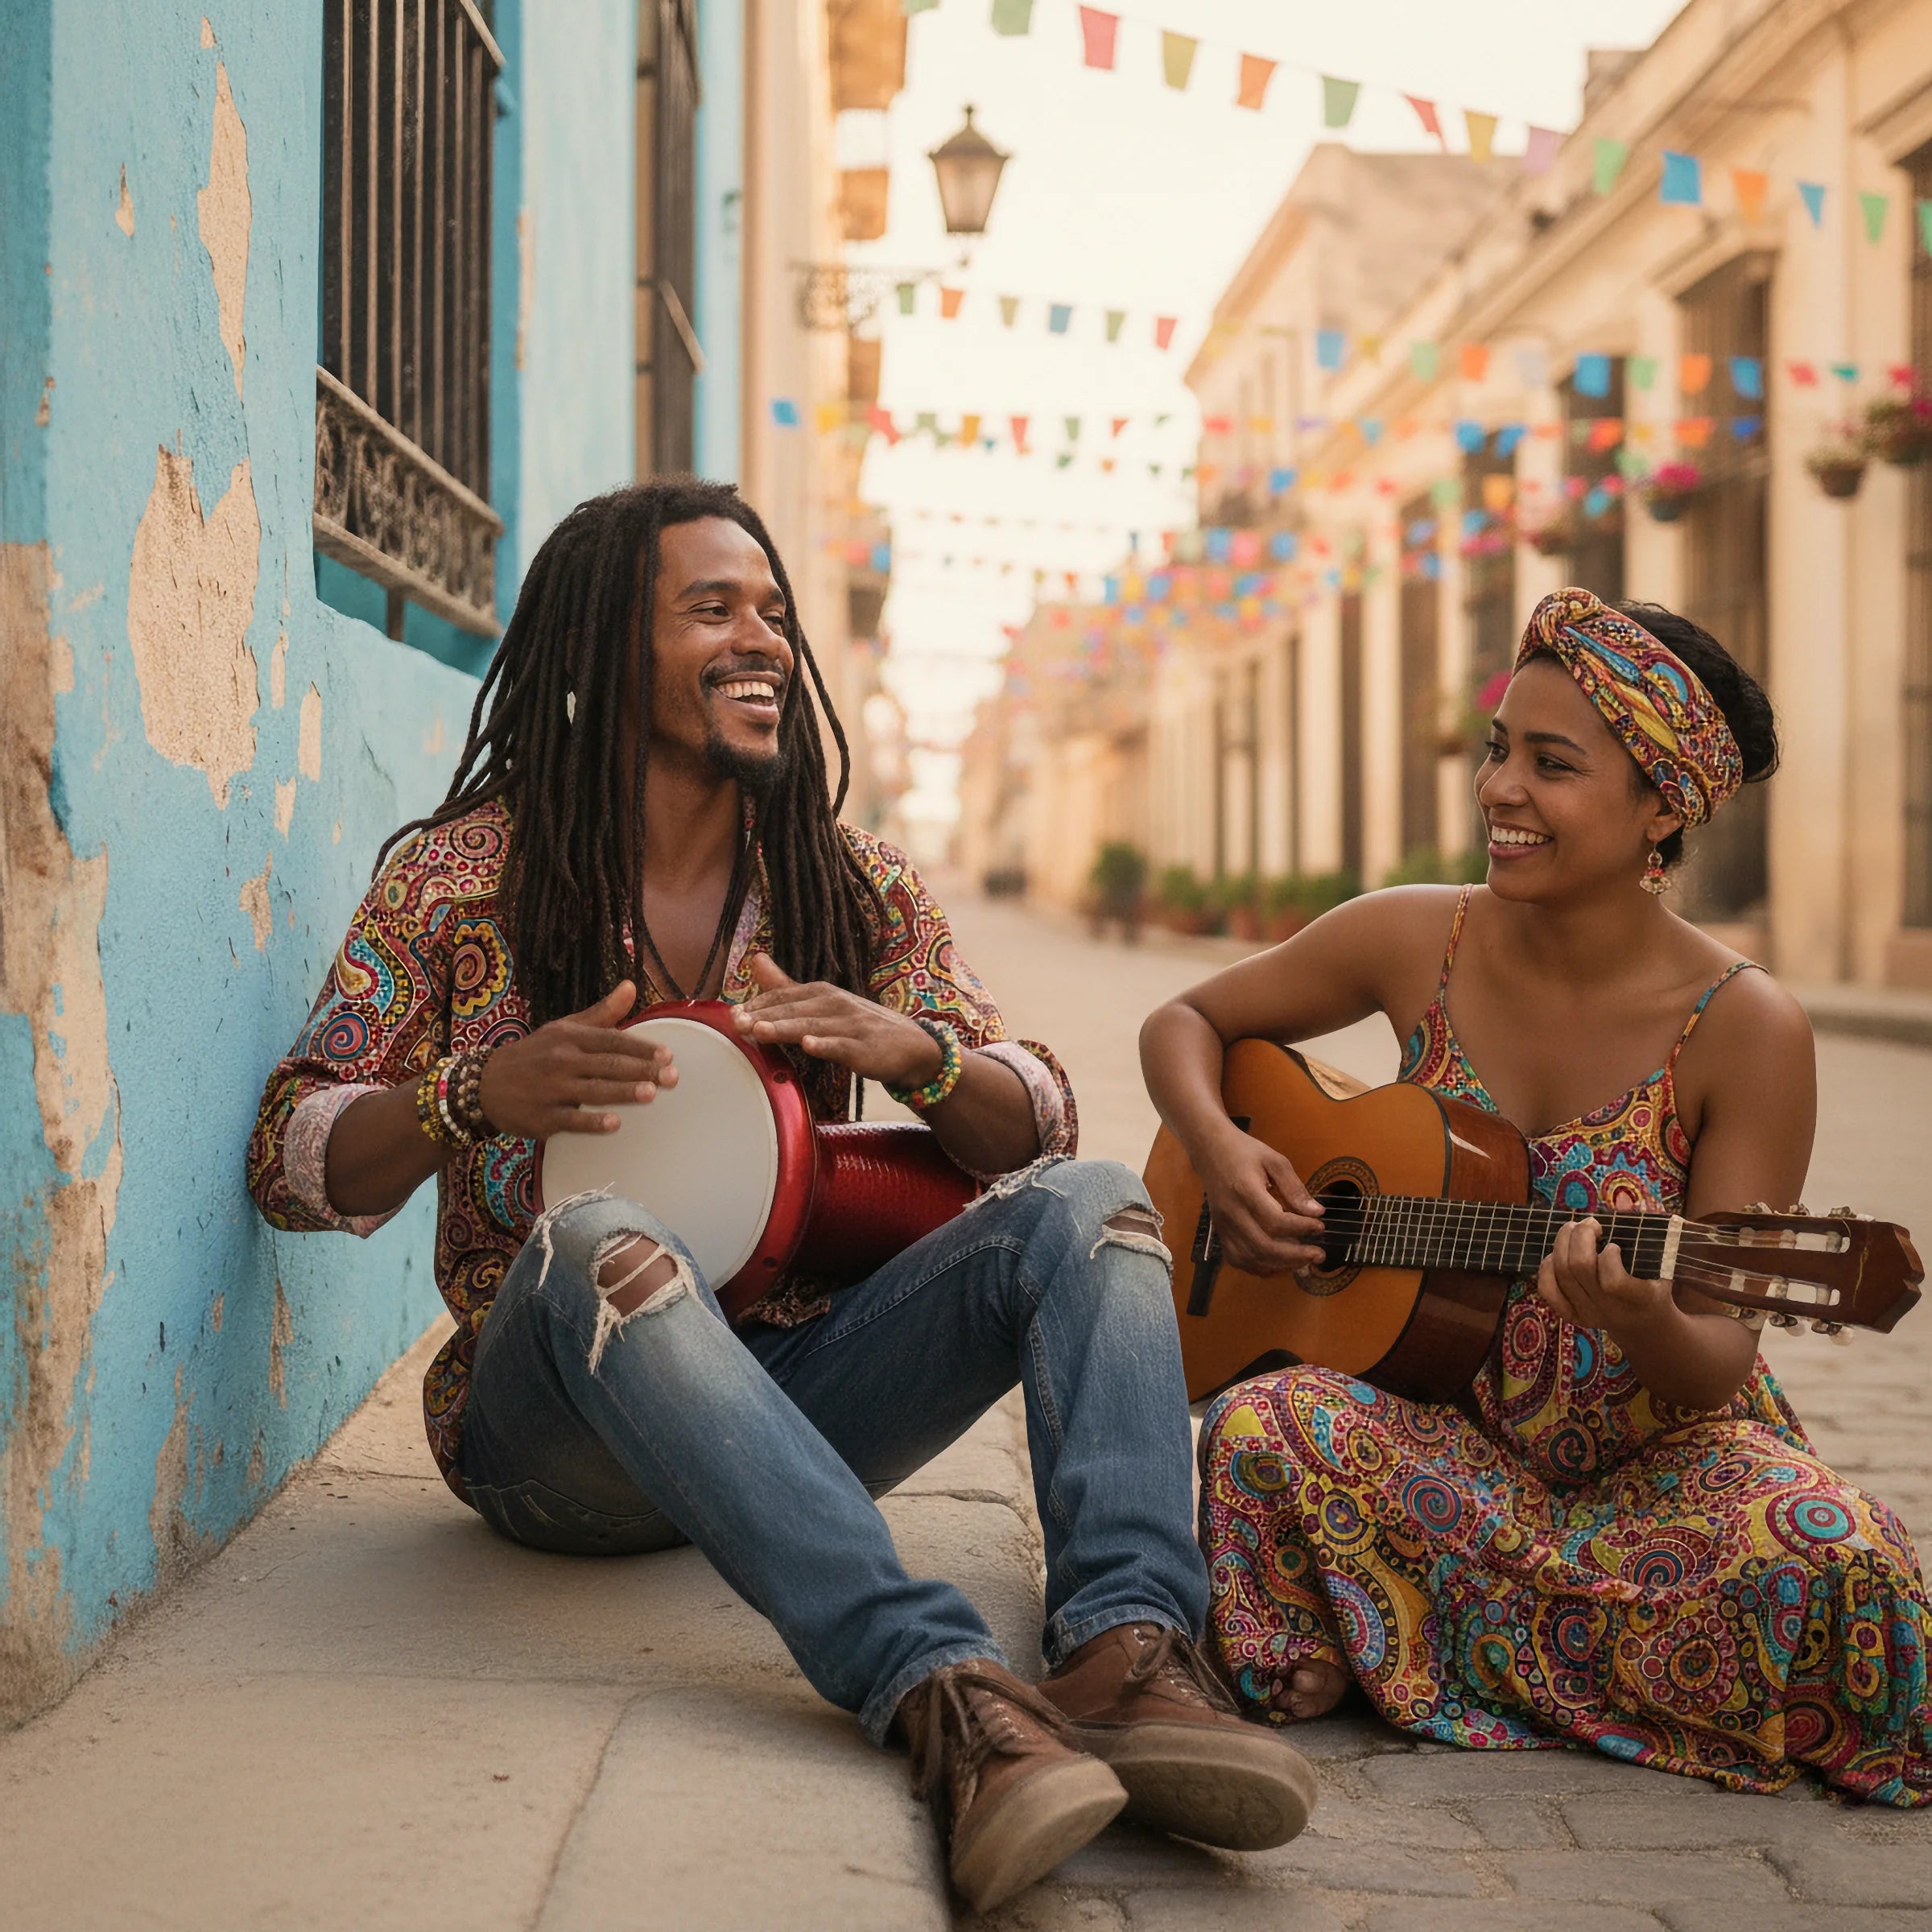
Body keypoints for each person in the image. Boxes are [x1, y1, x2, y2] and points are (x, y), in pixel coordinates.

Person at [245, 478, 1315, 1912]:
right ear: (599, 655)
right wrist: (470, 1093)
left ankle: (1128, 1648)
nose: (763, 640)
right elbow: (287, 1155)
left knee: (1099, 1198)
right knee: (599, 1238)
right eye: (710, 609)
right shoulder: (461, 881)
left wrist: (922, 1054)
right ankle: (940, 1691)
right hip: (559, 1446)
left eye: (773, 612)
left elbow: (1039, 1107)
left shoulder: (843, 885)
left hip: (803, 1395)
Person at [1141, 587, 1932, 1804]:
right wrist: (1224, 1148)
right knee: (1264, 1427)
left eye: (1551, 765)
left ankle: (1401, 1638)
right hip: (1440, 1439)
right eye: (1501, 748)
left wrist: (1642, 1314)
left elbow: (1720, 1358)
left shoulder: (1746, 1027)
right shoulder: (1419, 940)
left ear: (1664, 806)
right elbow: (1188, 1022)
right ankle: (1500, 1645)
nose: (1501, 789)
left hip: (1660, 1471)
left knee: (1840, 1566)